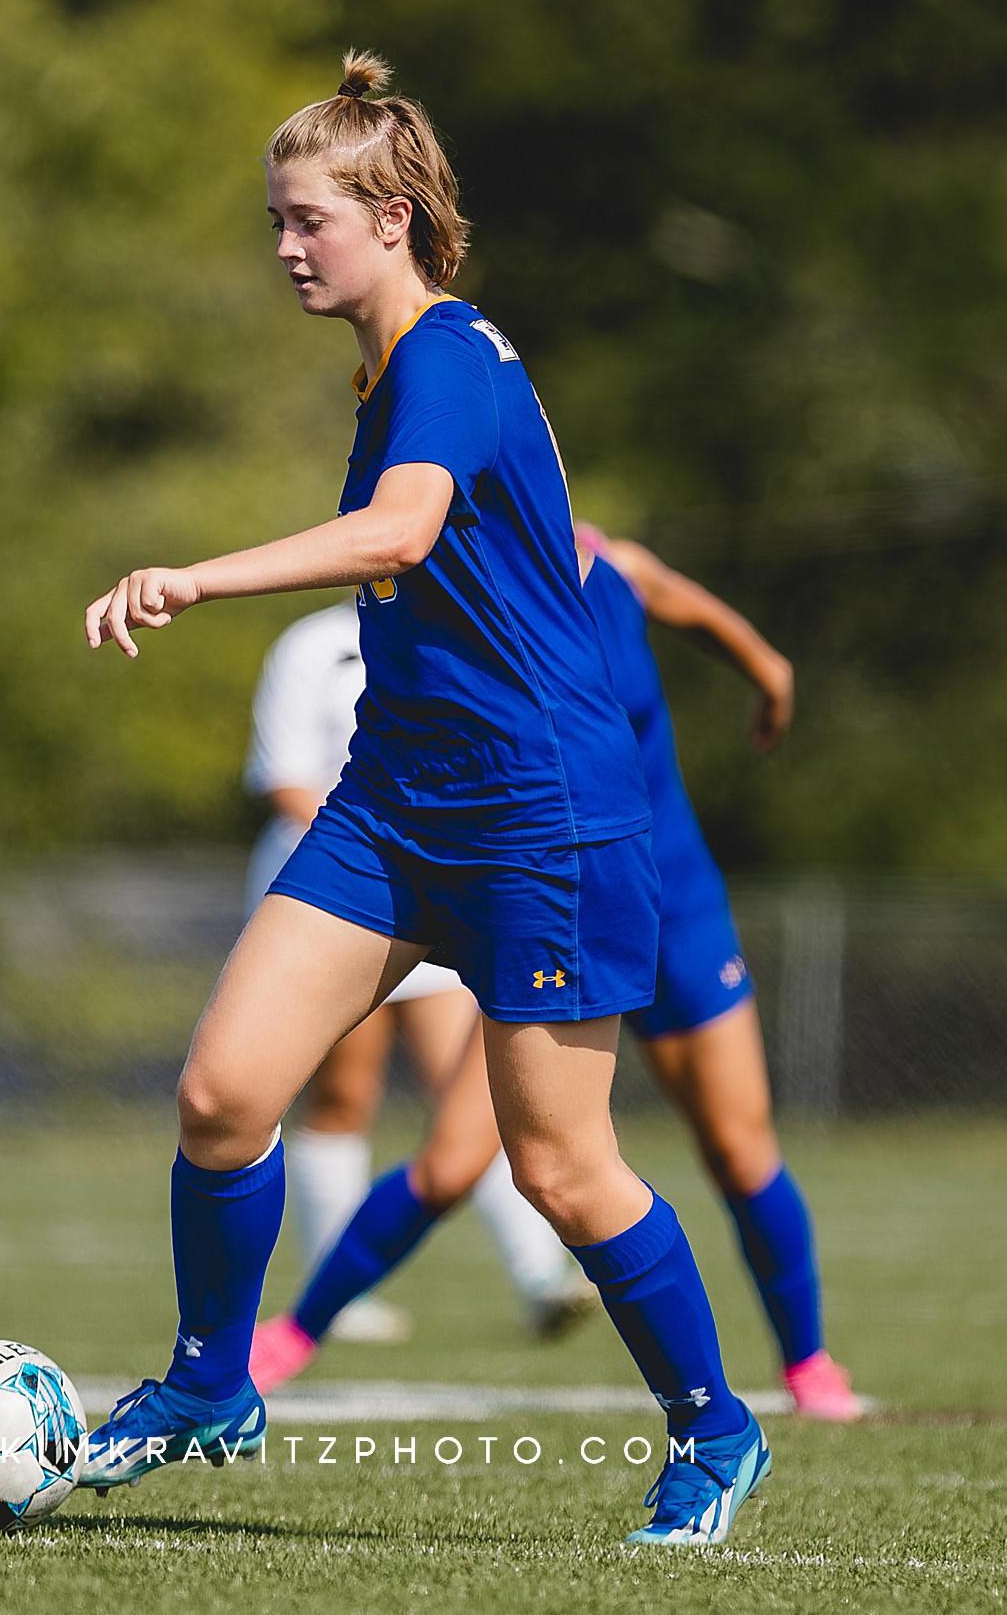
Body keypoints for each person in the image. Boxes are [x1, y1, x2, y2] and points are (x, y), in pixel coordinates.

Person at [77, 52, 770, 1546]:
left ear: (391, 217)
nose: (282, 247)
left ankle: (715, 1431)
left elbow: (400, 531)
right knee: (221, 1095)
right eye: (275, 219)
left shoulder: (451, 356)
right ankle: (211, 1383)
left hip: (543, 814)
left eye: (305, 219)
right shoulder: (391, 364)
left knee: (564, 1171)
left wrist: (198, 573)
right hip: (397, 797)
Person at [250, 523, 863, 1422]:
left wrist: (767, 669)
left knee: (739, 1148)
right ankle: (290, 1339)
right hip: (563, 915)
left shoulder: (608, 563)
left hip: (677, 912)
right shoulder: (468, 600)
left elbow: (680, 602)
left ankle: (808, 1367)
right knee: (455, 1162)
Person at [245, 600, 598, 1342]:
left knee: (486, 1096)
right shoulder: (313, 646)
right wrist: (373, 859)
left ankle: (540, 1277)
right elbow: (285, 781)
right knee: (344, 1095)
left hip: (435, 893)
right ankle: (337, 1295)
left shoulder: (463, 631)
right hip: (341, 895)